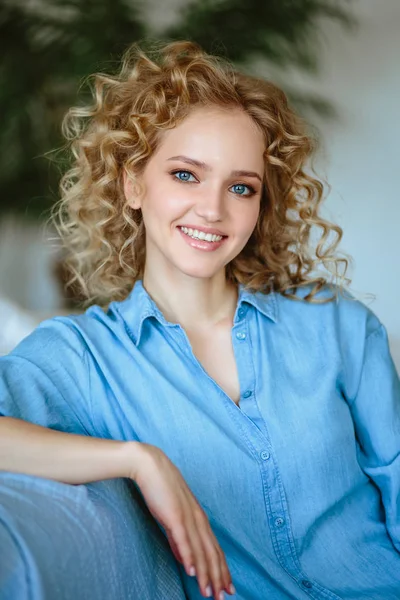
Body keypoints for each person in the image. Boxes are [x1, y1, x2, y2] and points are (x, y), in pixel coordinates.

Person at [0, 39, 399, 600]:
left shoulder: (336, 325)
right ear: (133, 184)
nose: (213, 210)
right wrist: (138, 460)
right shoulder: (83, 356)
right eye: (186, 175)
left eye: (241, 187)